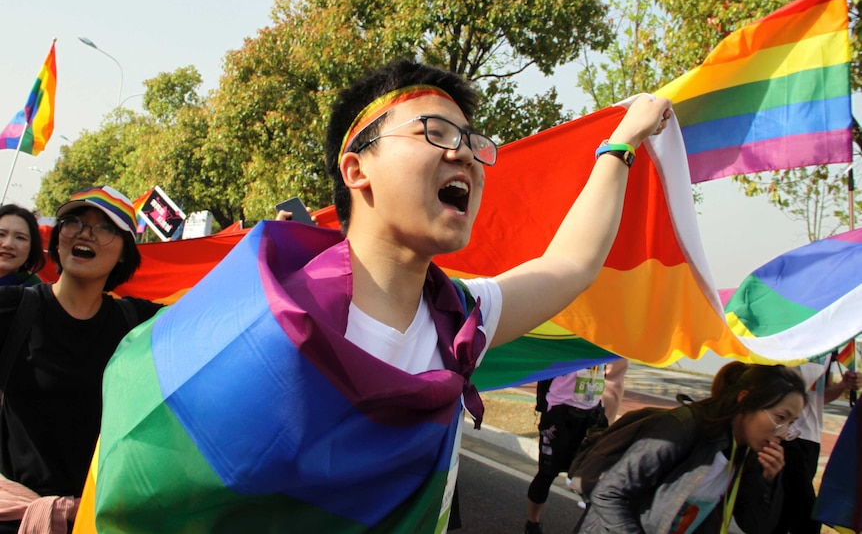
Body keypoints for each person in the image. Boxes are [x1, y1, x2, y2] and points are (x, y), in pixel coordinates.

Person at [90, 59, 671, 532]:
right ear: (356, 169)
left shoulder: (459, 320)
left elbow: (571, 264)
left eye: (472, 140)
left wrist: (620, 143)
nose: (464, 153)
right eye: (435, 132)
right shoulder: (265, 324)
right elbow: (147, 480)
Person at [0, 186, 163, 533]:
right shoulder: (13, 309)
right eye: (73, 221)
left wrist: (272, 249)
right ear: (58, 239)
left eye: (104, 227)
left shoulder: (138, 323)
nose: (85, 233)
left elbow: (219, 319)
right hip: (14, 518)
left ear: (124, 252)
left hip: (99, 521)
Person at [574, 365, 806, 534]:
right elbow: (608, 494)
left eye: (791, 423)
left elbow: (756, 526)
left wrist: (768, 481)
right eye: (780, 417)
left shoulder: (747, 453)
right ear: (745, 400)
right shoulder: (682, 427)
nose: (783, 432)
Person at [771, 352, 861, 534]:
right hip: (786, 436)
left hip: (811, 439)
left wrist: (843, 385)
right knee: (806, 509)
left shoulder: (829, 350)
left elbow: (821, 397)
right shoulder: (788, 341)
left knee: (786, 508)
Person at [525, 364, 612, 534]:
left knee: (593, 473)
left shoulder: (605, 343)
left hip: (592, 413)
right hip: (560, 412)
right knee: (547, 473)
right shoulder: (572, 339)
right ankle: (532, 524)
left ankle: (590, 526)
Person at [0, 204, 45, 287]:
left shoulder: (37, 294)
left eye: (20, 238)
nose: (8, 244)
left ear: (32, 247)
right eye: (1, 234)